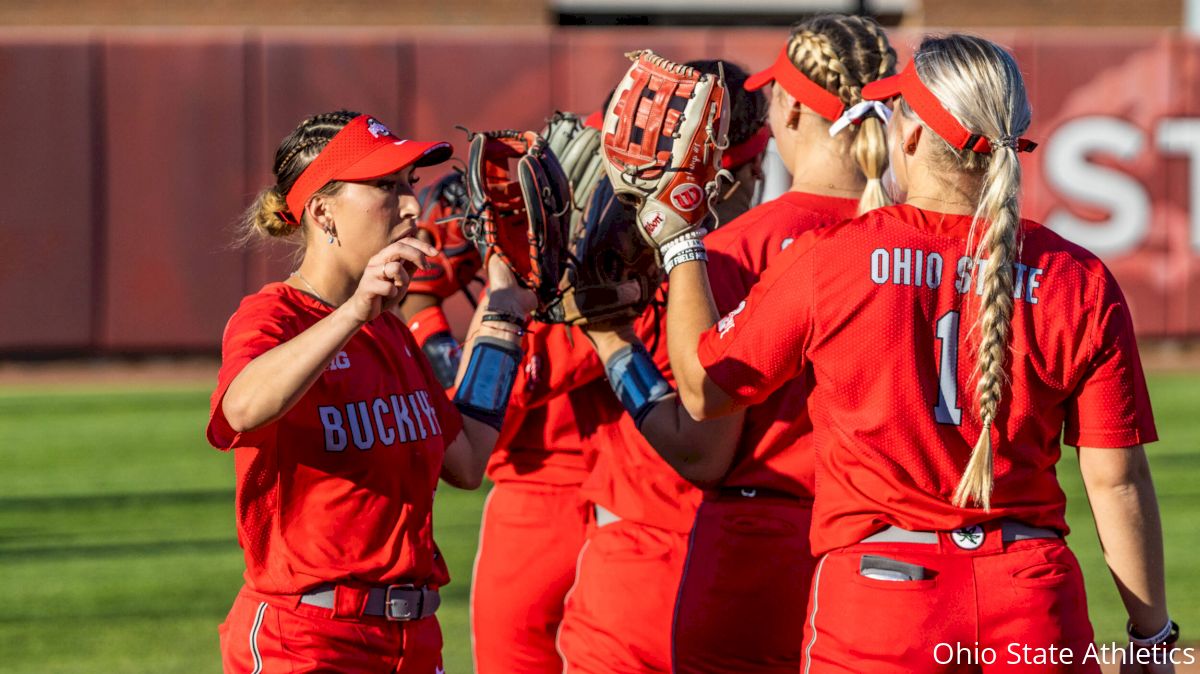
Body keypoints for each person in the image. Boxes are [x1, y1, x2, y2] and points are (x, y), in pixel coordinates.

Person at [654, 34, 1174, 673]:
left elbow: (706, 392)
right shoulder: (1077, 276)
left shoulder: (834, 258)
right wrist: (1151, 639)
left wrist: (680, 240)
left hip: (882, 601)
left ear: (908, 137)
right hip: (1033, 601)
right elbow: (1116, 480)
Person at [580, 16, 896, 673]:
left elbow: (703, 452)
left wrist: (613, 345)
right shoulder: (922, 245)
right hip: (892, 556)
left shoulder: (733, 248)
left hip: (759, 554)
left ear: (789, 109)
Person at [207, 110, 530, 673]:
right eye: (385, 186)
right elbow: (241, 406)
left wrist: (500, 317)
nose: (411, 204)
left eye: (409, 184)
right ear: (323, 211)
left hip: (412, 641)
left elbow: (469, 458)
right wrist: (354, 311)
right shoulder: (274, 315)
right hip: (307, 641)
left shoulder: (391, 331)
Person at [554, 59, 770, 674]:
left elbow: (699, 449)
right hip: (791, 569)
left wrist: (606, 337)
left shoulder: (677, 268)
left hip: (648, 556)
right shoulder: (848, 245)